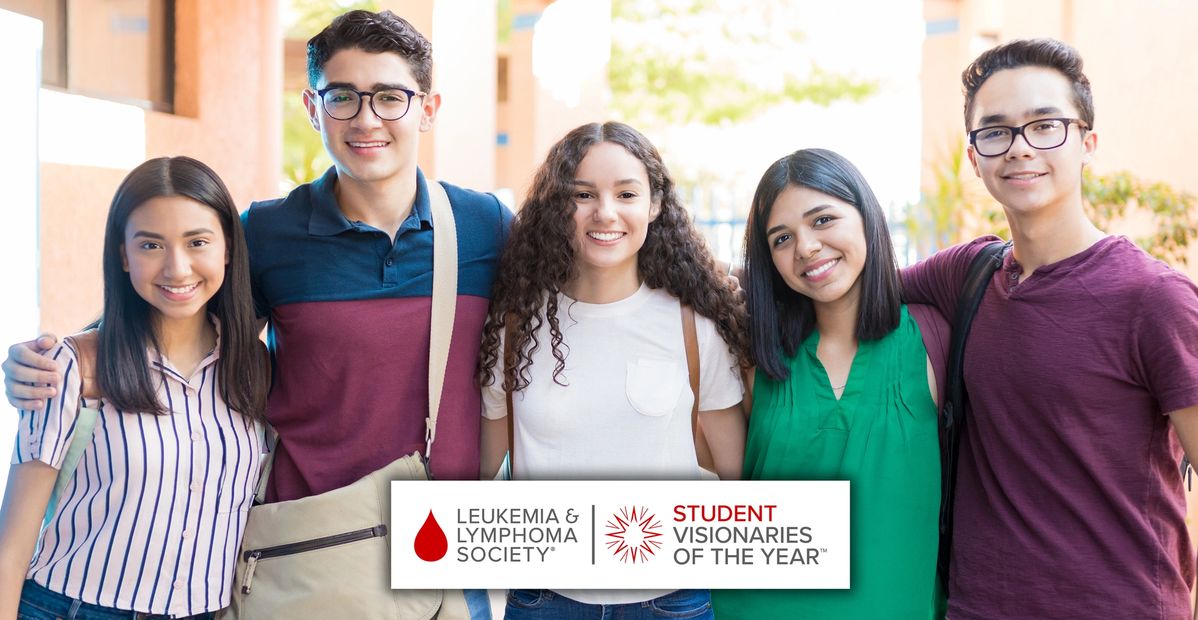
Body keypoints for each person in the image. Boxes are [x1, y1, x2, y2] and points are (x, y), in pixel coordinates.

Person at [2, 10, 506, 618]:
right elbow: (181, 308)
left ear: (428, 108)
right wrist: (66, 356)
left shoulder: (487, 227)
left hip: (446, 551)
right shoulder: (268, 232)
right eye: (342, 97)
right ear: (312, 108)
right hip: (308, 551)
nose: (366, 118)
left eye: (390, 97)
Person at [901, 38, 1198, 619]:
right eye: (996, 131)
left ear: (1088, 144)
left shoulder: (1154, 299)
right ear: (974, 155)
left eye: (1044, 126)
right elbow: (843, 283)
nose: (1019, 148)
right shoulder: (970, 272)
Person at [476, 121, 748, 619]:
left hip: (672, 602)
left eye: (626, 193)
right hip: (543, 601)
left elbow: (737, 482)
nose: (605, 212)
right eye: (582, 194)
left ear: (654, 204)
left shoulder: (693, 324)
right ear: (558, 207)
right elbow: (478, 471)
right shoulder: (516, 325)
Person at [0, 157, 268, 619]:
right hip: (74, 608)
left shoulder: (252, 368)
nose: (177, 268)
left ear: (227, 248)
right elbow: (12, 545)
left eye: (197, 242)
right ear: (123, 255)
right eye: (150, 245)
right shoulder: (73, 365)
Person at [710, 149, 948, 619]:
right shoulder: (752, 356)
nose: (806, 248)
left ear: (866, 215)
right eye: (782, 238)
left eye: (822, 220)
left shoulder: (935, 339)